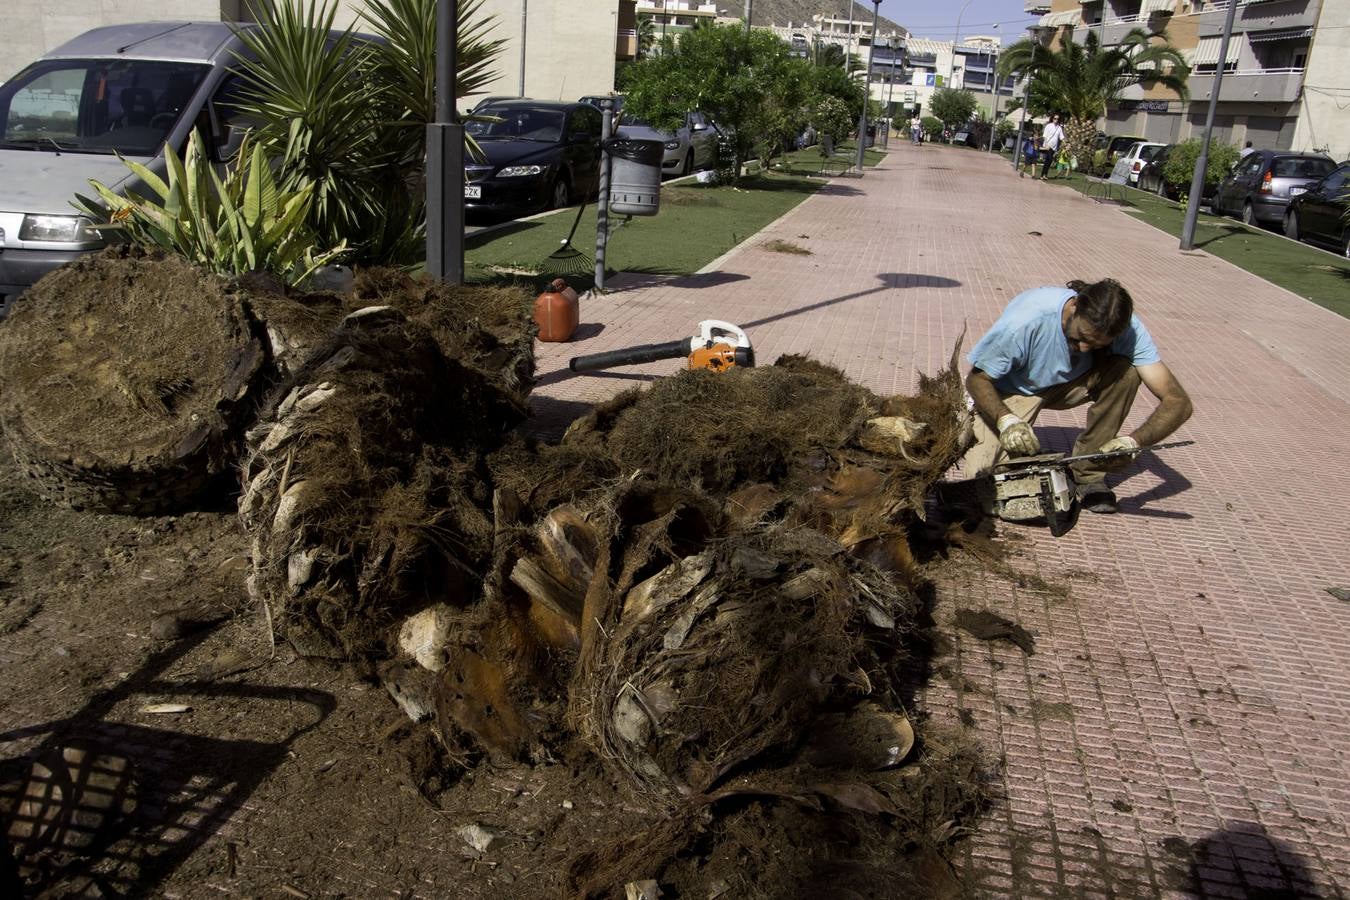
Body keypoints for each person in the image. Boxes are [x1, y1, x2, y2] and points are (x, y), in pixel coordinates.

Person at [960, 278, 1193, 514]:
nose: (1083, 348)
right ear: (1075, 305)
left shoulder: (1128, 330)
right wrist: (1005, 420)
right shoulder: (1027, 319)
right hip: (1011, 390)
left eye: (1095, 345)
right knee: (981, 483)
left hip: (1071, 384)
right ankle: (1014, 443)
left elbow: (1178, 402)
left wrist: (1136, 441)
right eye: (1080, 337)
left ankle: (1088, 473)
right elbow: (977, 379)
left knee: (1129, 372)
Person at [1039, 113, 1065, 179]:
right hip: (1048, 146)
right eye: (1055, 118)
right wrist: (1046, 144)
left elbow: (1061, 137)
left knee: (1048, 161)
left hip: (1054, 147)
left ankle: (1044, 175)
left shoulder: (1059, 128)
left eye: (1057, 119)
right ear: (1052, 119)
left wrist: (1065, 142)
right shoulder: (1049, 126)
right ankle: (1043, 175)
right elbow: (1044, 136)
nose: (1056, 120)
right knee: (1049, 159)